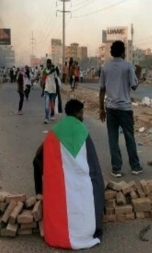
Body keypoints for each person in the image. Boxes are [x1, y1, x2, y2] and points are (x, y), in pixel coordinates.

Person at [33, 99, 104, 250]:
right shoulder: (82, 130)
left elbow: (38, 157)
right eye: (82, 113)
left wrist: (40, 189)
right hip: (81, 185)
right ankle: (87, 227)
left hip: (62, 187)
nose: (83, 117)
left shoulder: (55, 131)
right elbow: (94, 168)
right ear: (78, 114)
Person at [99, 40, 143, 177]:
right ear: (123, 52)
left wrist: (101, 109)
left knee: (113, 139)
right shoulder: (128, 66)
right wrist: (139, 72)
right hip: (125, 109)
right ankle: (135, 166)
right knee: (129, 137)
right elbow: (134, 86)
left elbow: (102, 91)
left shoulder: (106, 68)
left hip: (111, 109)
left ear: (112, 52)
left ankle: (116, 168)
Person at [42, 59, 59, 124]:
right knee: (46, 104)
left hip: (53, 90)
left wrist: (56, 70)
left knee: (52, 104)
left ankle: (52, 115)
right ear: (46, 64)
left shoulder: (54, 71)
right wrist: (42, 91)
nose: (48, 64)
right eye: (47, 63)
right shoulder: (45, 71)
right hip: (47, 90)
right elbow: (43, 80)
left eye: (49, 63)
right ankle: (46, 118)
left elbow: (57, 79)